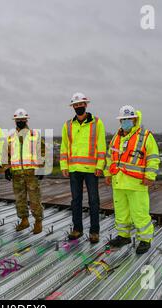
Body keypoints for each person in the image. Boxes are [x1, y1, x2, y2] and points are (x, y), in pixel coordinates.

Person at [104, 105, 160, 254]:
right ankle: (124, 236)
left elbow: (153, 157)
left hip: (136, 183)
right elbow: (110, 158)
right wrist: (107, 174)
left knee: (140, 213)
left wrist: (150, 176)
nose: (126, 121)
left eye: (129, 119)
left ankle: (145, 239)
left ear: (135, 119)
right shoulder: (116, 137)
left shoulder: (145, 136)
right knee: (121, 213)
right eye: (123, 119)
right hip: (118, 182)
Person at [60, 92, 106, 243]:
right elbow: (64, 147)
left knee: (94, 200)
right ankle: (77, 229)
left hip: (91, 170)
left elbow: (101, 146)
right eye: (76, 105)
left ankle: (94, 232)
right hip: (74, 169)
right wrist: (64, 166)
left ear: (86, 105)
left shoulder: (97, 123)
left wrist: (100, 165)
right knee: (76, 200)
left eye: (81, 104)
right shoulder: (67, 125)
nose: (78, 107)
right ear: (73, 106)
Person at [4, 108, 45, 234]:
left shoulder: (35, 134)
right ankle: (24, 220)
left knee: (35, 199)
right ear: (15, 121)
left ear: (26, 120)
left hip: (31, 173)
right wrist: (7, 168)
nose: (20, 121)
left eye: (22, 119)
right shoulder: (10, 137)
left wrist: (42, 167)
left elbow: (42, 151)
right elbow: (6, 154)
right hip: (17, 173)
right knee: (20, 199)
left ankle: (38, 222)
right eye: (18, 120)